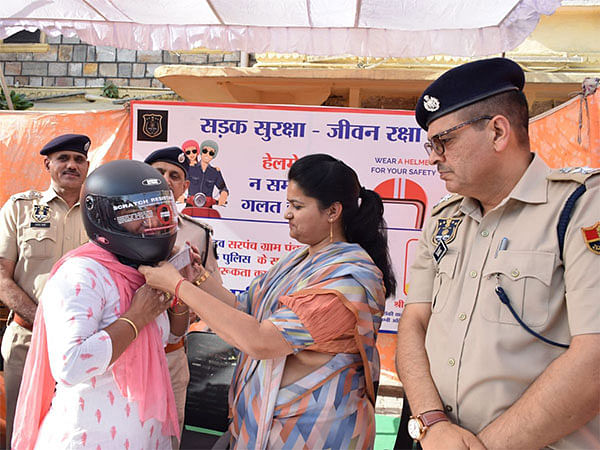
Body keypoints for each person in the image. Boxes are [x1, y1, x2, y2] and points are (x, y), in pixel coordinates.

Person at [395, 57, 599, 450]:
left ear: (498, 132)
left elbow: (594, 359)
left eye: (445, 141)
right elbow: (413, 323)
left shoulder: (582, 208)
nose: (433, 157)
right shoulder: (443, 219)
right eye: (430, 144)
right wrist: (433, 423)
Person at [140, 154, 397, 449]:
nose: (287, 213)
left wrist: (177, 285)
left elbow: (260, 341)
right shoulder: (298, 259)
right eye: (288, 204)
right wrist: (197, 277)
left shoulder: (348, 280)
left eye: (297, 206)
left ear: (333, 211)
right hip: (262, 426)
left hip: (313, 434)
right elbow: (243, 309)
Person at [11, 160, 183, 449]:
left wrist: (182, 291)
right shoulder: (81, 274)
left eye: (156, 210)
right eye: (136, 213)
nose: (151, 222)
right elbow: (71, 365)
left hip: (146, 434)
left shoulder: (141, 270)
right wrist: (135, 319)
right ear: (104, 217)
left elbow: (172, 336)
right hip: (89, 437)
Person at [0, 134, 91, 447]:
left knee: (75, 430)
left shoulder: (101, 215)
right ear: (47, 164)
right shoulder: (20, 208)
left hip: (83, 347)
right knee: (21, 428)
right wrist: (42, 321)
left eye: (79, 159)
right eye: (63, 158)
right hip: (26, 341)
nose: (71, 165)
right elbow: (2, 278)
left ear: (87, 166)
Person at [144, 146, 222, 449]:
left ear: (184, 187)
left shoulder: (198, 233)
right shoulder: (121, 224)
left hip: (172, 354)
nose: (165, 180)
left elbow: (211, 290)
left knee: (168, 436)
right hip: (126, 349)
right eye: (157, 173)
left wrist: (187, 310)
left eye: (174, 176)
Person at [185, 139, 229, 206]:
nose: (207, 155)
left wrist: (223, 195)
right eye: (205, 151)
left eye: (211, 153)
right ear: (200, 152)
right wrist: (179, 196)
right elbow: (180, 183)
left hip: (207, 207)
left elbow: (223, 187)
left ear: (213, 156)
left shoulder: (215, 172)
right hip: (191, 205)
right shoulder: (191, 168)